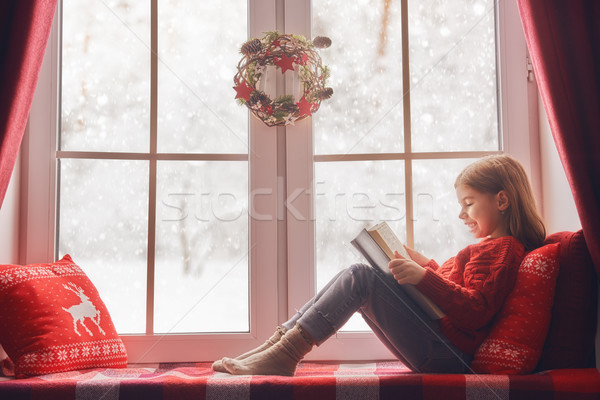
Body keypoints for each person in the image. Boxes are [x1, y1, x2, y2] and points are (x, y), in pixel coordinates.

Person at [212, 154, 546, 376]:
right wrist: (421, 263)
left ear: (501, 200)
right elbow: (456, 291)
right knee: (353, 273)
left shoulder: (503, 249)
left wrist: (424, 278)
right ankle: (276, 347)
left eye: (469, 203)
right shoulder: (491, 247)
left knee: (360, 278)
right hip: (441, 346)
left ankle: (285, 354)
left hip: (449, 355)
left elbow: (476, 310)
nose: (461, 215)